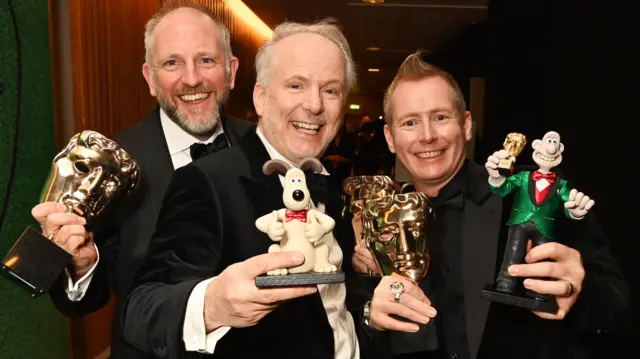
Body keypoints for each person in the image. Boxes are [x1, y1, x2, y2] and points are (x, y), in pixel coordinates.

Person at [352, 51, 632, 359]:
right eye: (409, 123)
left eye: (441, 117)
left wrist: (580, 293)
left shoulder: (532, 194)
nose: (427, 136)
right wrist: (371, 319)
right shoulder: (379, 217)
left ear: (467, 124)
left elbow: (618, 310)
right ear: (390, 138)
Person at [120, 19, 360, 359]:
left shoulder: (329, 182)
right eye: (295, 85)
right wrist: (212, 304)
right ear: (260, 98)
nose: (315, 105)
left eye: (331, 90)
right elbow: (141, 307)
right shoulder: (208, 180)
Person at [30, 1, 251, 358]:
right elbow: (86, 298)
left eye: (206, 60)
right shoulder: (108, 166)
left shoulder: (264, 150)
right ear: (150, 78)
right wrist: (81, 266)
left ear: (232, 70)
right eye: (172, 63)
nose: (192, 78)